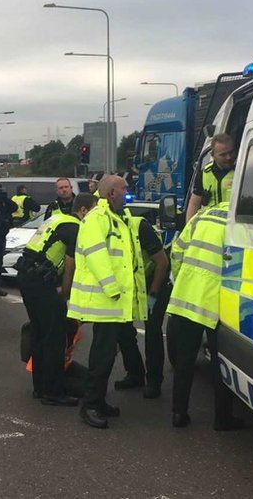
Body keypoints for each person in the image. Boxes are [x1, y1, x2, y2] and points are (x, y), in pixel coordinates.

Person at [68, 175, 145, 429]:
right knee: (102, 355)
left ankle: (98, 401)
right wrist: (112, 288)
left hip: (113, 303)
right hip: (105, 300)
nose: (128, 193)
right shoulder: (97, 219)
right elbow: (96, 255)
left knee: (108, 354)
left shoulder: (117, 218)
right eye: (124, 189)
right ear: (111, 193)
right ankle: (90, 404)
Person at [166, 201, 244, 430]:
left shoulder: (202, 215)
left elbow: (177, 250)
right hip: (217, 304)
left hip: (186, 296)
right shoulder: (240, 222)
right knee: (221, 364)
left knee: (184, 362)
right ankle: (222, 418)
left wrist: (181, 279)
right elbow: (239, 265)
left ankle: (178, 414)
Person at [18, 193, 98, 406]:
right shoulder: (76, 228)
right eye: (94, 210)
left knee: (39, 334)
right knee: (54, 339)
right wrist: (66, 291)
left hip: (27, 277)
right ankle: (53, 392)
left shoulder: (57, 219)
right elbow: (70, 264)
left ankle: (40, 388)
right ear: (83, 211)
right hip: (41, 283)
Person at [113, 210, 169, 399]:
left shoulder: (139, 226)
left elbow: (162, 262)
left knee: (152, 330)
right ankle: (135, 373)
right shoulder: (104, 229)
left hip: (154, 282)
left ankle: (154, 381)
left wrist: (153, 293)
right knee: (123, 329)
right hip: (132, 285)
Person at [185, 133, 237, 222]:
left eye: (231, 152)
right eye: (223, 155)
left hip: (234, 226)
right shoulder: (205, 173)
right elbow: (194, 204)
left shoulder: (241, 170)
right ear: (213, 155)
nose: (229, 157)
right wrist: (189, 226)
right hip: (210, 227)